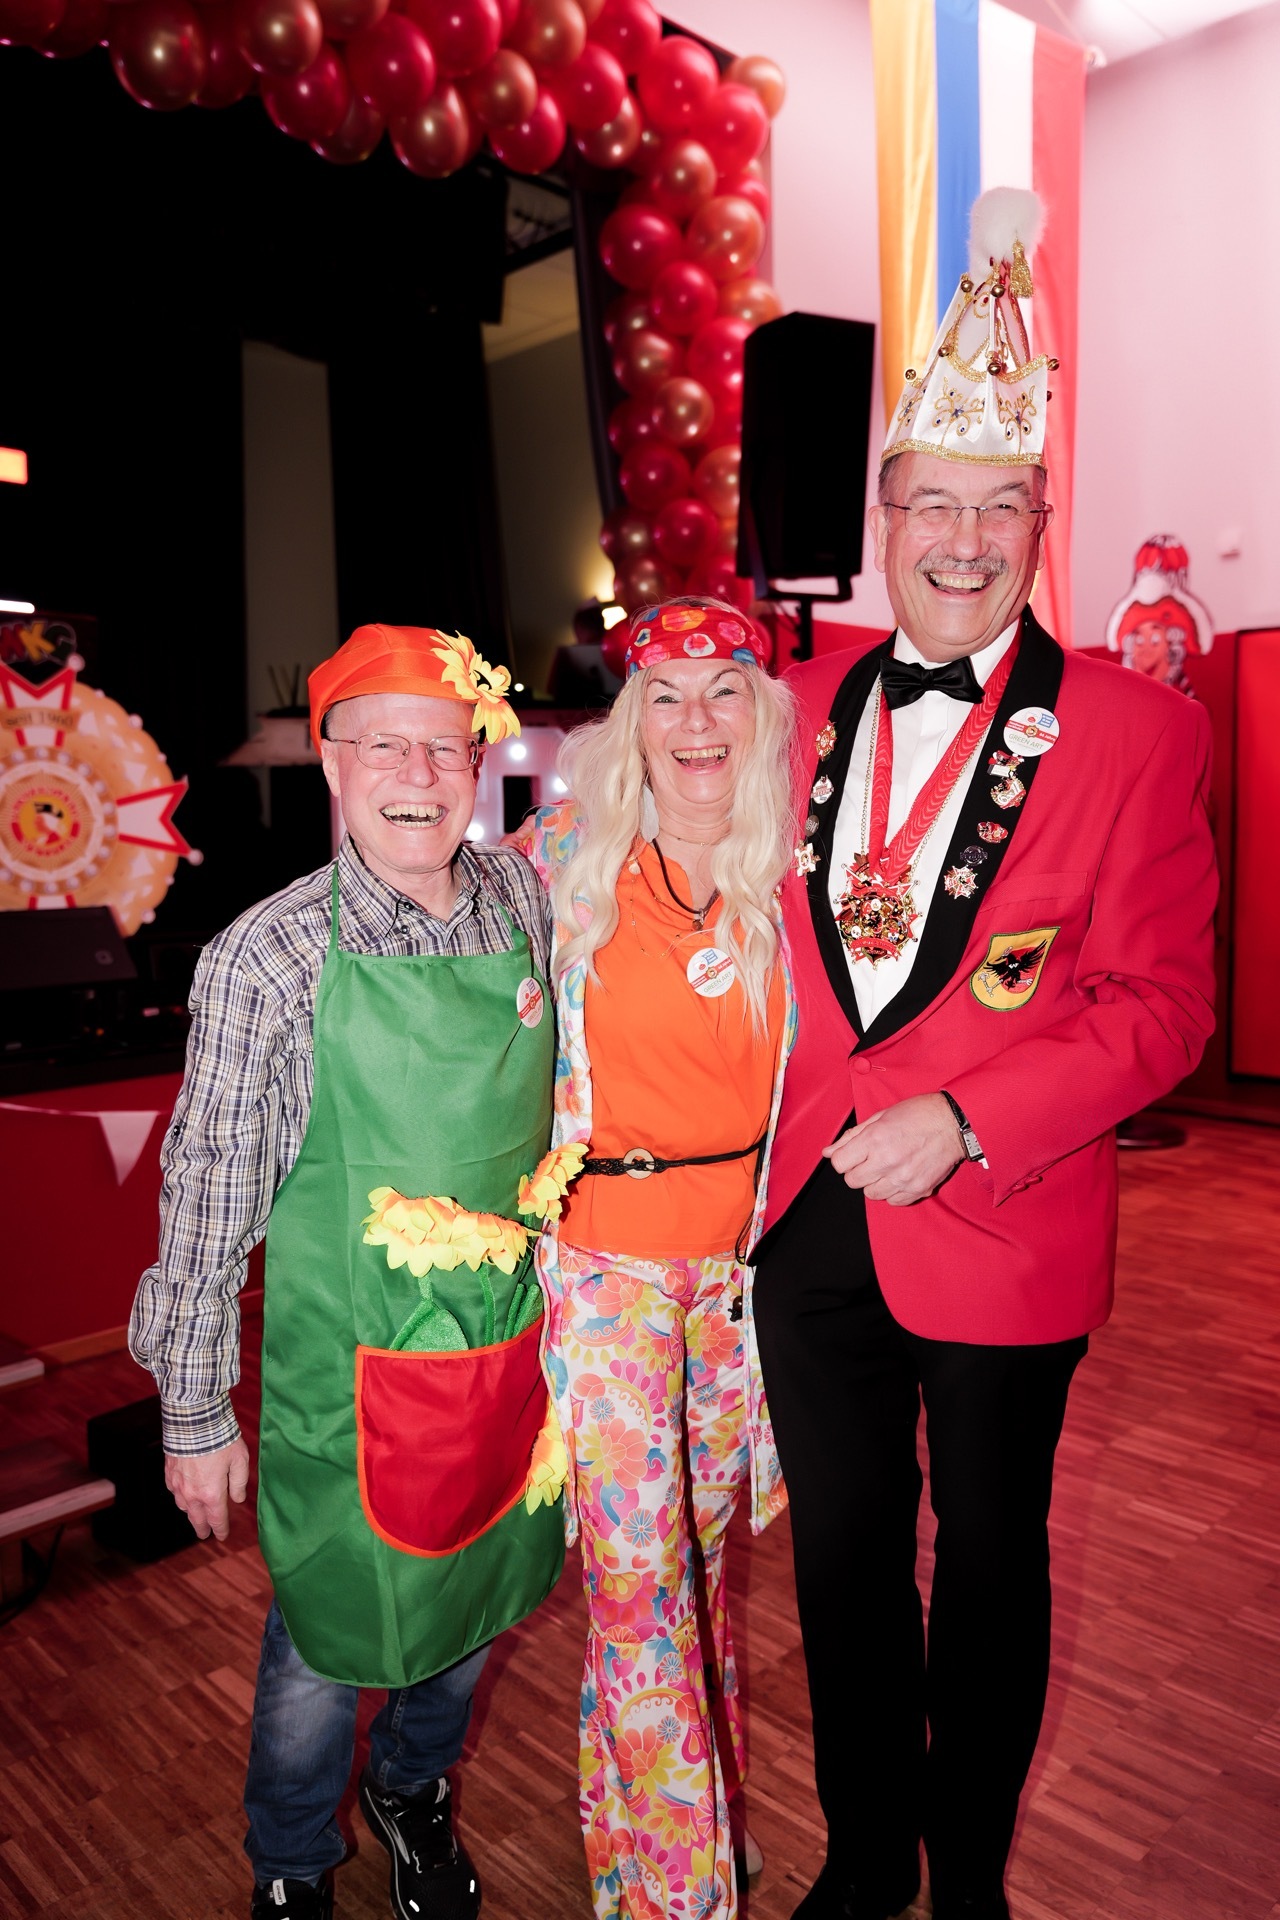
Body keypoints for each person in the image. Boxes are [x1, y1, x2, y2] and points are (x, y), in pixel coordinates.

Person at [750, 191, 1217, 1920]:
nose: (962, 540)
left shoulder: (1139, 731)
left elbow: (1164, 1006)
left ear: (1038, 520)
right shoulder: (791, 707)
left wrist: (962, 1115)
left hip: (1004, 1218)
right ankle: (865, 1859)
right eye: (930, 503)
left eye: (997, 505)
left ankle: (969, 1888)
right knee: (843, 1568)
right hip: (806, 1217)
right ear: (882, 517)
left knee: (993, 1574)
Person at [130, 623, 566, 1920]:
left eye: (445, 746)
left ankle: (412, 1789)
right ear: (332, 765)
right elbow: (206, 1204)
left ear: (478, 762)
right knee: (323, 1642)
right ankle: (292, 1859)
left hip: (506, 1354)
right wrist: (194, 1414)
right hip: (350, 1375)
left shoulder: (527, 903)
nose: (418, 775)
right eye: (384, 747)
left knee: (476, 1596)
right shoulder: (268, 958)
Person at [517, 597, 798, 1920]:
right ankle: (685, 1898)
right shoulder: (561, 859)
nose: (696, 722)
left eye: (723, 691)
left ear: (763, 717)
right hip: (605, 1275)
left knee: (697, 1577)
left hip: (738, 1286)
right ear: (631, 724)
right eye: (666, 698)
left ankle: (654, 1845)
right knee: (637, 1595)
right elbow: (426, 927)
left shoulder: (795, 877)